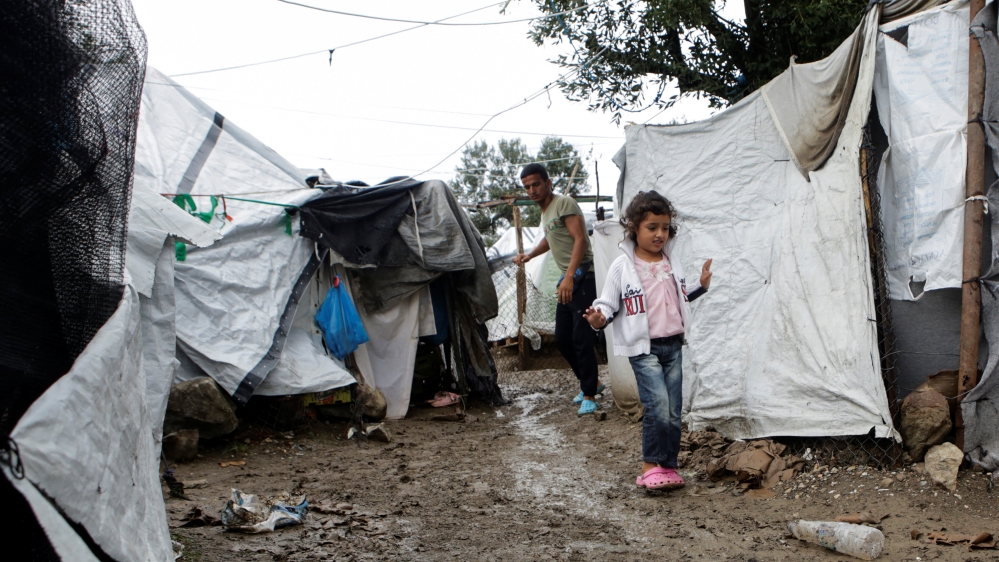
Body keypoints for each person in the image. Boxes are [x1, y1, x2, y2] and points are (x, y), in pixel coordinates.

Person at [583, 191, 713, 490]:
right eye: (652, 227)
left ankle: (667, 465)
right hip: (644, 348)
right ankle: (648, 466)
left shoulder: (671, 261)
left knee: (673, 409)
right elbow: (607, 302)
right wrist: (598, 318)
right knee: (657, 405)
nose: (659, 234)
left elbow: (679, 296)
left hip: (673, 346)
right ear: (634, 229)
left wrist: (700, 286)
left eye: (665, 227)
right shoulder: (624, 266)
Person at [512, 163, 603, 415]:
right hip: (569, 278)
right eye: (527, 186)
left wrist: (569, 277)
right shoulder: (546, 213)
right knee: (563, 338)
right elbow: (550, 239)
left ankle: (590, 394)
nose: (532, 190)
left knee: (581, 336)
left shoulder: (564, 203)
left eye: (536, 184)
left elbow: (581, 239)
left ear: (548, 182)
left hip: (584, 276)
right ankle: (592, 382)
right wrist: (529, 255)